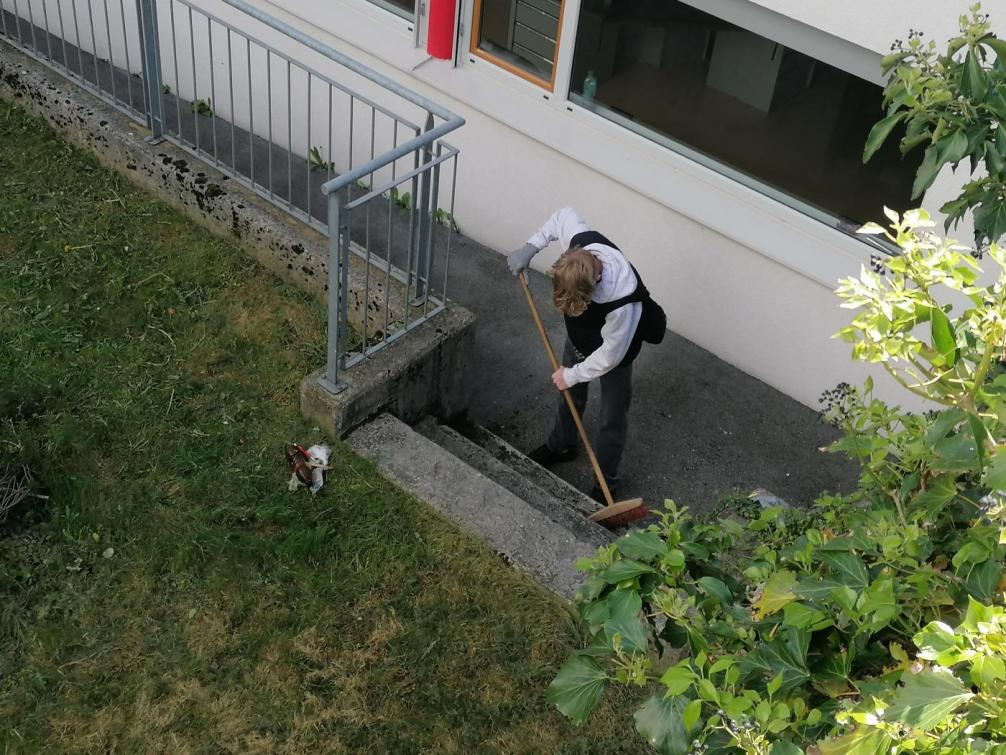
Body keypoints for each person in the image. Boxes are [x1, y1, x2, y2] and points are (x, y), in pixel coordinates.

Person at [507, 207, 649, 501]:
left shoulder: (623, 302)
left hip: (616, 357)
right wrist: (530, 247)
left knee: (612, 418)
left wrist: (571, 374)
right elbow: (562, 215)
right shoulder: (580, 245)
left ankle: (606, 482)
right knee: (570, 394)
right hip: (580, 340)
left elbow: (610, 356)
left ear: (594, 284)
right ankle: (561, 445)